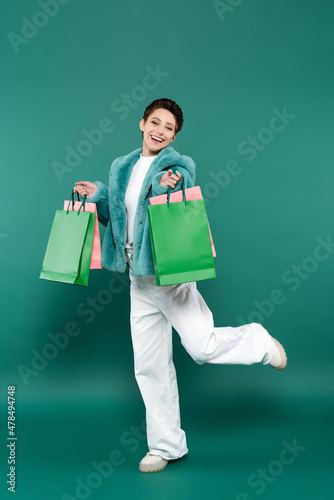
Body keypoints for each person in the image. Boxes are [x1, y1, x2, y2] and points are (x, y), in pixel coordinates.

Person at [73, 98, 287, 474]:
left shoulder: (177, 165)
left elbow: (179, 197)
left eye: (169, 127)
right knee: (150, 366)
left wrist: (164, 186)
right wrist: (97, 196)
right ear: (142, 124)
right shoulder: (121, 166)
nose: (160, 130)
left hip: (169, 277)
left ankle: (259, 341)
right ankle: (166, 446)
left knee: (201, 348)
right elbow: (120, 219)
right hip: (137, 280)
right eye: (155, 122)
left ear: (174, 135)